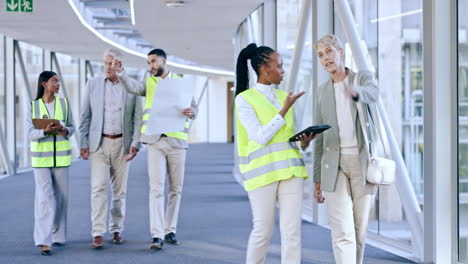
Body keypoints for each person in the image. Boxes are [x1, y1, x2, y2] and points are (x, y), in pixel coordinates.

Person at [235, 43, 317, 264]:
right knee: (263, 231)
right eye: (279, 66)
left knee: (292, 233)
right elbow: (260, 137)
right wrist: (284, 110)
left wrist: (305, 143)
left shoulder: (284, 96)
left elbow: (289, 139)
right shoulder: (244, 99)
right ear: (264, 68)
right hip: (262, 175)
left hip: (291, 172)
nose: (282, 71)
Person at [114, 48, 197, 250]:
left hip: (177, 142)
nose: (151, 66)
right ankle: (157, 234)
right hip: (155, 142)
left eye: (153, 61)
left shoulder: (181, 82)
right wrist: (121, 73)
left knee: (175, 189)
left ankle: (170, 230)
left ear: (164, 60)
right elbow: (133, 87)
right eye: (148, 62)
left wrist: (191, 112)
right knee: (156, 189)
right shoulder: (149, 83)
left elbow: (194, 108)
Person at [313, 34, 379, 264]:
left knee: (359, 231)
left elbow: (374, 94)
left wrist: (356, 93)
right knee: (341, 231)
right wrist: (317, 178)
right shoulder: (321, 92)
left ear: (340, 52)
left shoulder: (362, 78)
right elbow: (320, 138)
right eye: (321, 55)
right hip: (334, 165)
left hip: (362, 163)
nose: (325, 58)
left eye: (329, 51)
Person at [79, 48, 142, 249]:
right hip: (99, 144)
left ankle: (116, 229)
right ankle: (97, 232)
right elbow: (85, 116)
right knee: (98, 188)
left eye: (112, 64)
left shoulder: (130, 86)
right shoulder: (93, 84)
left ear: (120, 65)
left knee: (119, 192)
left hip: (122, 145)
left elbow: (138, 117)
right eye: (105, 63)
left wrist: (135, 143)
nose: (108, 67)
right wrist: (83, 144)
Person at [26, 71, 75, 255]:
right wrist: (45, 132)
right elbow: (30, 133)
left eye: (59, 81)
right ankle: (44, 240)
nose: (58, 84)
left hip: (62, 158)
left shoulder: (64, 103)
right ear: (44, 84)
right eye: (55, 81)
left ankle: (58, 236)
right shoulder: (33, 105)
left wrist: (65, 130)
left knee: (61, 198)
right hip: (41, 160)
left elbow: (72, 128)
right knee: (45, 199)